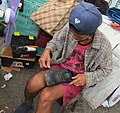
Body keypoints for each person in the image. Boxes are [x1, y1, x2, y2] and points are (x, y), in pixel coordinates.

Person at [14, 1, 112, 113]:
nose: (73, 36)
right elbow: (56, 40)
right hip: (61, 65)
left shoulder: (103, 46)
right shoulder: (70, 28)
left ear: (91, 33)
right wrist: (48, 50)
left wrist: (87, 78)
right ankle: (28, 103)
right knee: (32, 84)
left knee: (45, 96)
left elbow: (106, 69)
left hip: (76, 77)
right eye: (72, 32)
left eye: (78, 36)